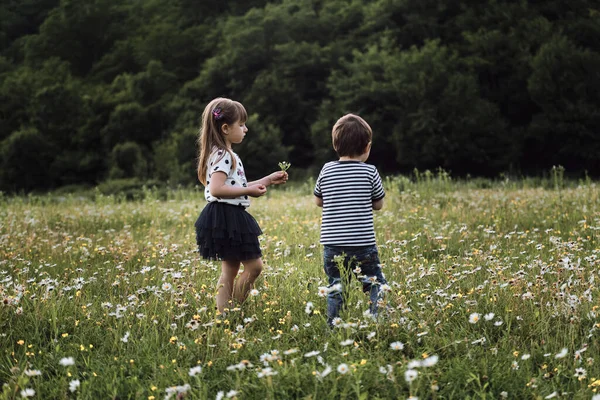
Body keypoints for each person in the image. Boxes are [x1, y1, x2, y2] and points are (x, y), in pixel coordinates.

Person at [195, 97, 288, 314]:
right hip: (228, 216)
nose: (246, 129)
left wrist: (267, 180)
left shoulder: (221, 154)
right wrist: (248, 191)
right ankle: (234, 310)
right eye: (242, 124)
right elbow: (217, 189)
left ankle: (224, 315)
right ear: (226, 128)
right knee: (254, 267)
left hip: (224, 215)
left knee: (230, 269)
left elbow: (237, 185)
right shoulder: (225, 156)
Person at [313, 113, 387, 326]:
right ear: (367, 147)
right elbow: (379, 204)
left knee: (336, 286)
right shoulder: (369, 172)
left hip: (333, 245)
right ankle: (378, 323)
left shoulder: (326, 170)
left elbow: (318, 201)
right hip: (363, 244)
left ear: (335, 145)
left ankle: (334, 327)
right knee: (374, 284)